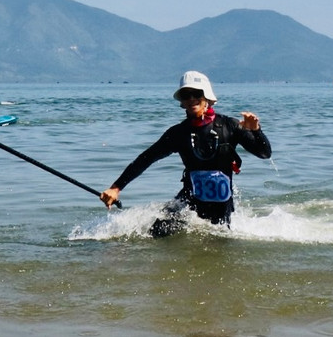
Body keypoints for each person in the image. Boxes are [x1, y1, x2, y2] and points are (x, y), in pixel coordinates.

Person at [99, 71, 272, 236]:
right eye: (185, 95)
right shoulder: (178, 134)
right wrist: (116, 188)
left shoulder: (230, 126)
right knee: (158, 230)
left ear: (207, 98)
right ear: (181, 102)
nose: (191, 99)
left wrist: (256, 130)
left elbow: (265, 153)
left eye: (196, 93)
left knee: (218, 243)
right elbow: (145, 159)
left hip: (221, 206)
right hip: (188, 202)